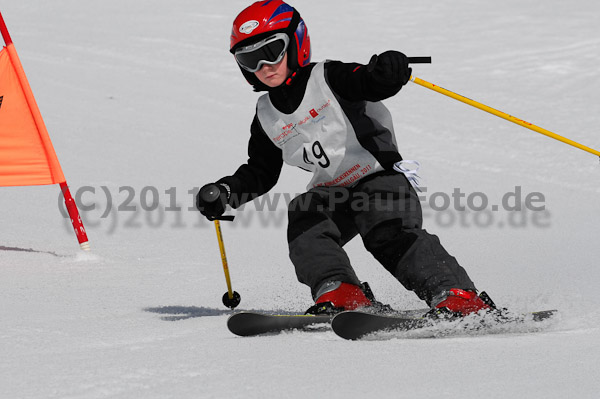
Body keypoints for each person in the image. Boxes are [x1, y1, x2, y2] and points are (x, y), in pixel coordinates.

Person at [197, 0, 492, 317]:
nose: (264, 66)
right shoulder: (266, 114)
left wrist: (386, 72)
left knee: (386, 231)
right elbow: (261, 171)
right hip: (332, 190)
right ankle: (341, 292)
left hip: (378, 178)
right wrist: (227, 192)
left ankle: (457, 295)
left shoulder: (329, 77)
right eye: (250, 59)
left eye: (272, 51)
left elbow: (366, 80)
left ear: (296, 43)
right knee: (305, 217)